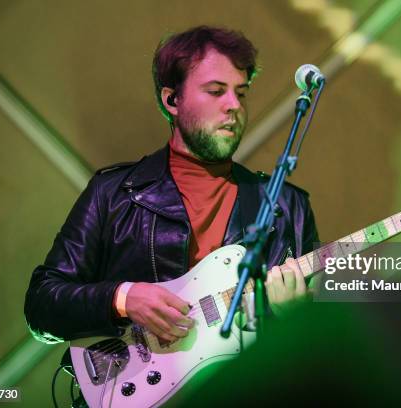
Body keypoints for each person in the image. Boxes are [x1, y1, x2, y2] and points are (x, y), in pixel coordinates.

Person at [24, 26, 319, 344]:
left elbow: (329, 353)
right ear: (172, 100)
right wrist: (122, 298)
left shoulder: (287, 207)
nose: (234, 104)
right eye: (217, 91)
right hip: (133, 388)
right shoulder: (113, 194)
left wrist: (298, 321)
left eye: (241, 92)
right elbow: (42, 304)